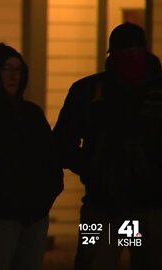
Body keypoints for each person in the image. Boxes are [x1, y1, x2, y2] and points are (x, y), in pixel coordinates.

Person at [53, 22, 162, 270]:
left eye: (135, 53)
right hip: (104, 205)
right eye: (125, 55)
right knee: (95, 261)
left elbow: (62, 143)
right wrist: (94, 168)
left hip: (148, 207)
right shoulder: (88, 91)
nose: (131, 60)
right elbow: (62, 142)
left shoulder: (89, 90)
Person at [0, 43, 63, 270]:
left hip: (35, 218)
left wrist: (44, 200)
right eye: (6, 68)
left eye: (18, 69)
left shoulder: (32, 114)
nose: (13, 76)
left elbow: (50, 160)